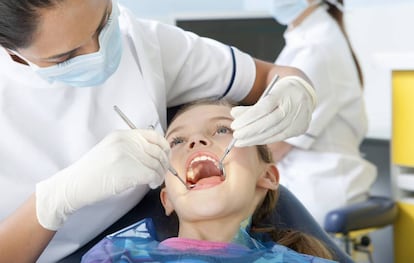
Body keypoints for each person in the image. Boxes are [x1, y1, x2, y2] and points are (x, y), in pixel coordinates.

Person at [0, 0, 317, 262]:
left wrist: (295, 88)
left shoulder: (143, 42)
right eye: (66, 57)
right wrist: (53, 201)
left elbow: (272, 76)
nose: (97, 52)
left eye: (103, 23)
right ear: (11, 50)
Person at [81, 100, 337, 262]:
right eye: (177, 141)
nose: (196, 142)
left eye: (223, 130)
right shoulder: (117, 256)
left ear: (267, 176)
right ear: (167, 198)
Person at [261, 0, 377, 225]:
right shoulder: (306, 38)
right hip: (302, 183)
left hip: (318, 190)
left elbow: (273, 147)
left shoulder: (317, 49)